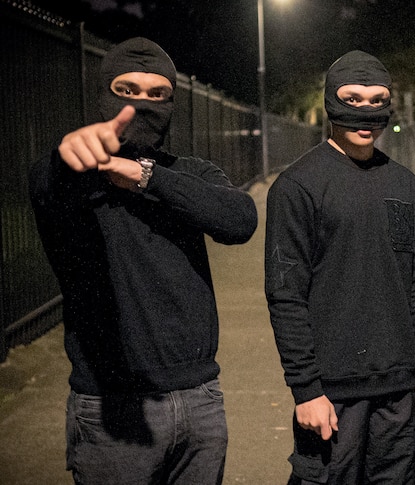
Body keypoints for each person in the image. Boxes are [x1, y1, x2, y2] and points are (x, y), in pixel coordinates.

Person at [28, 37, 258, 484]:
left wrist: (143, 175)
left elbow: (240, 220)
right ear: (103, 95)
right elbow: (46, 185)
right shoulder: (72, 179)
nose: (142, 105)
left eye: (158, 95)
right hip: (113, 409)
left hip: (199, 401)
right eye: (127, 90)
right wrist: (69, 159)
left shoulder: (190, 174)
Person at [264, 50, 415, 485]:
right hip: (332, 393)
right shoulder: (298, 186)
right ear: (330, 102)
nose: (365, 112)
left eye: (377, 100)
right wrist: (305, 390)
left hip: (396, 393)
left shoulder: (403, 183)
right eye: (353, 99)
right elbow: (285, 293)